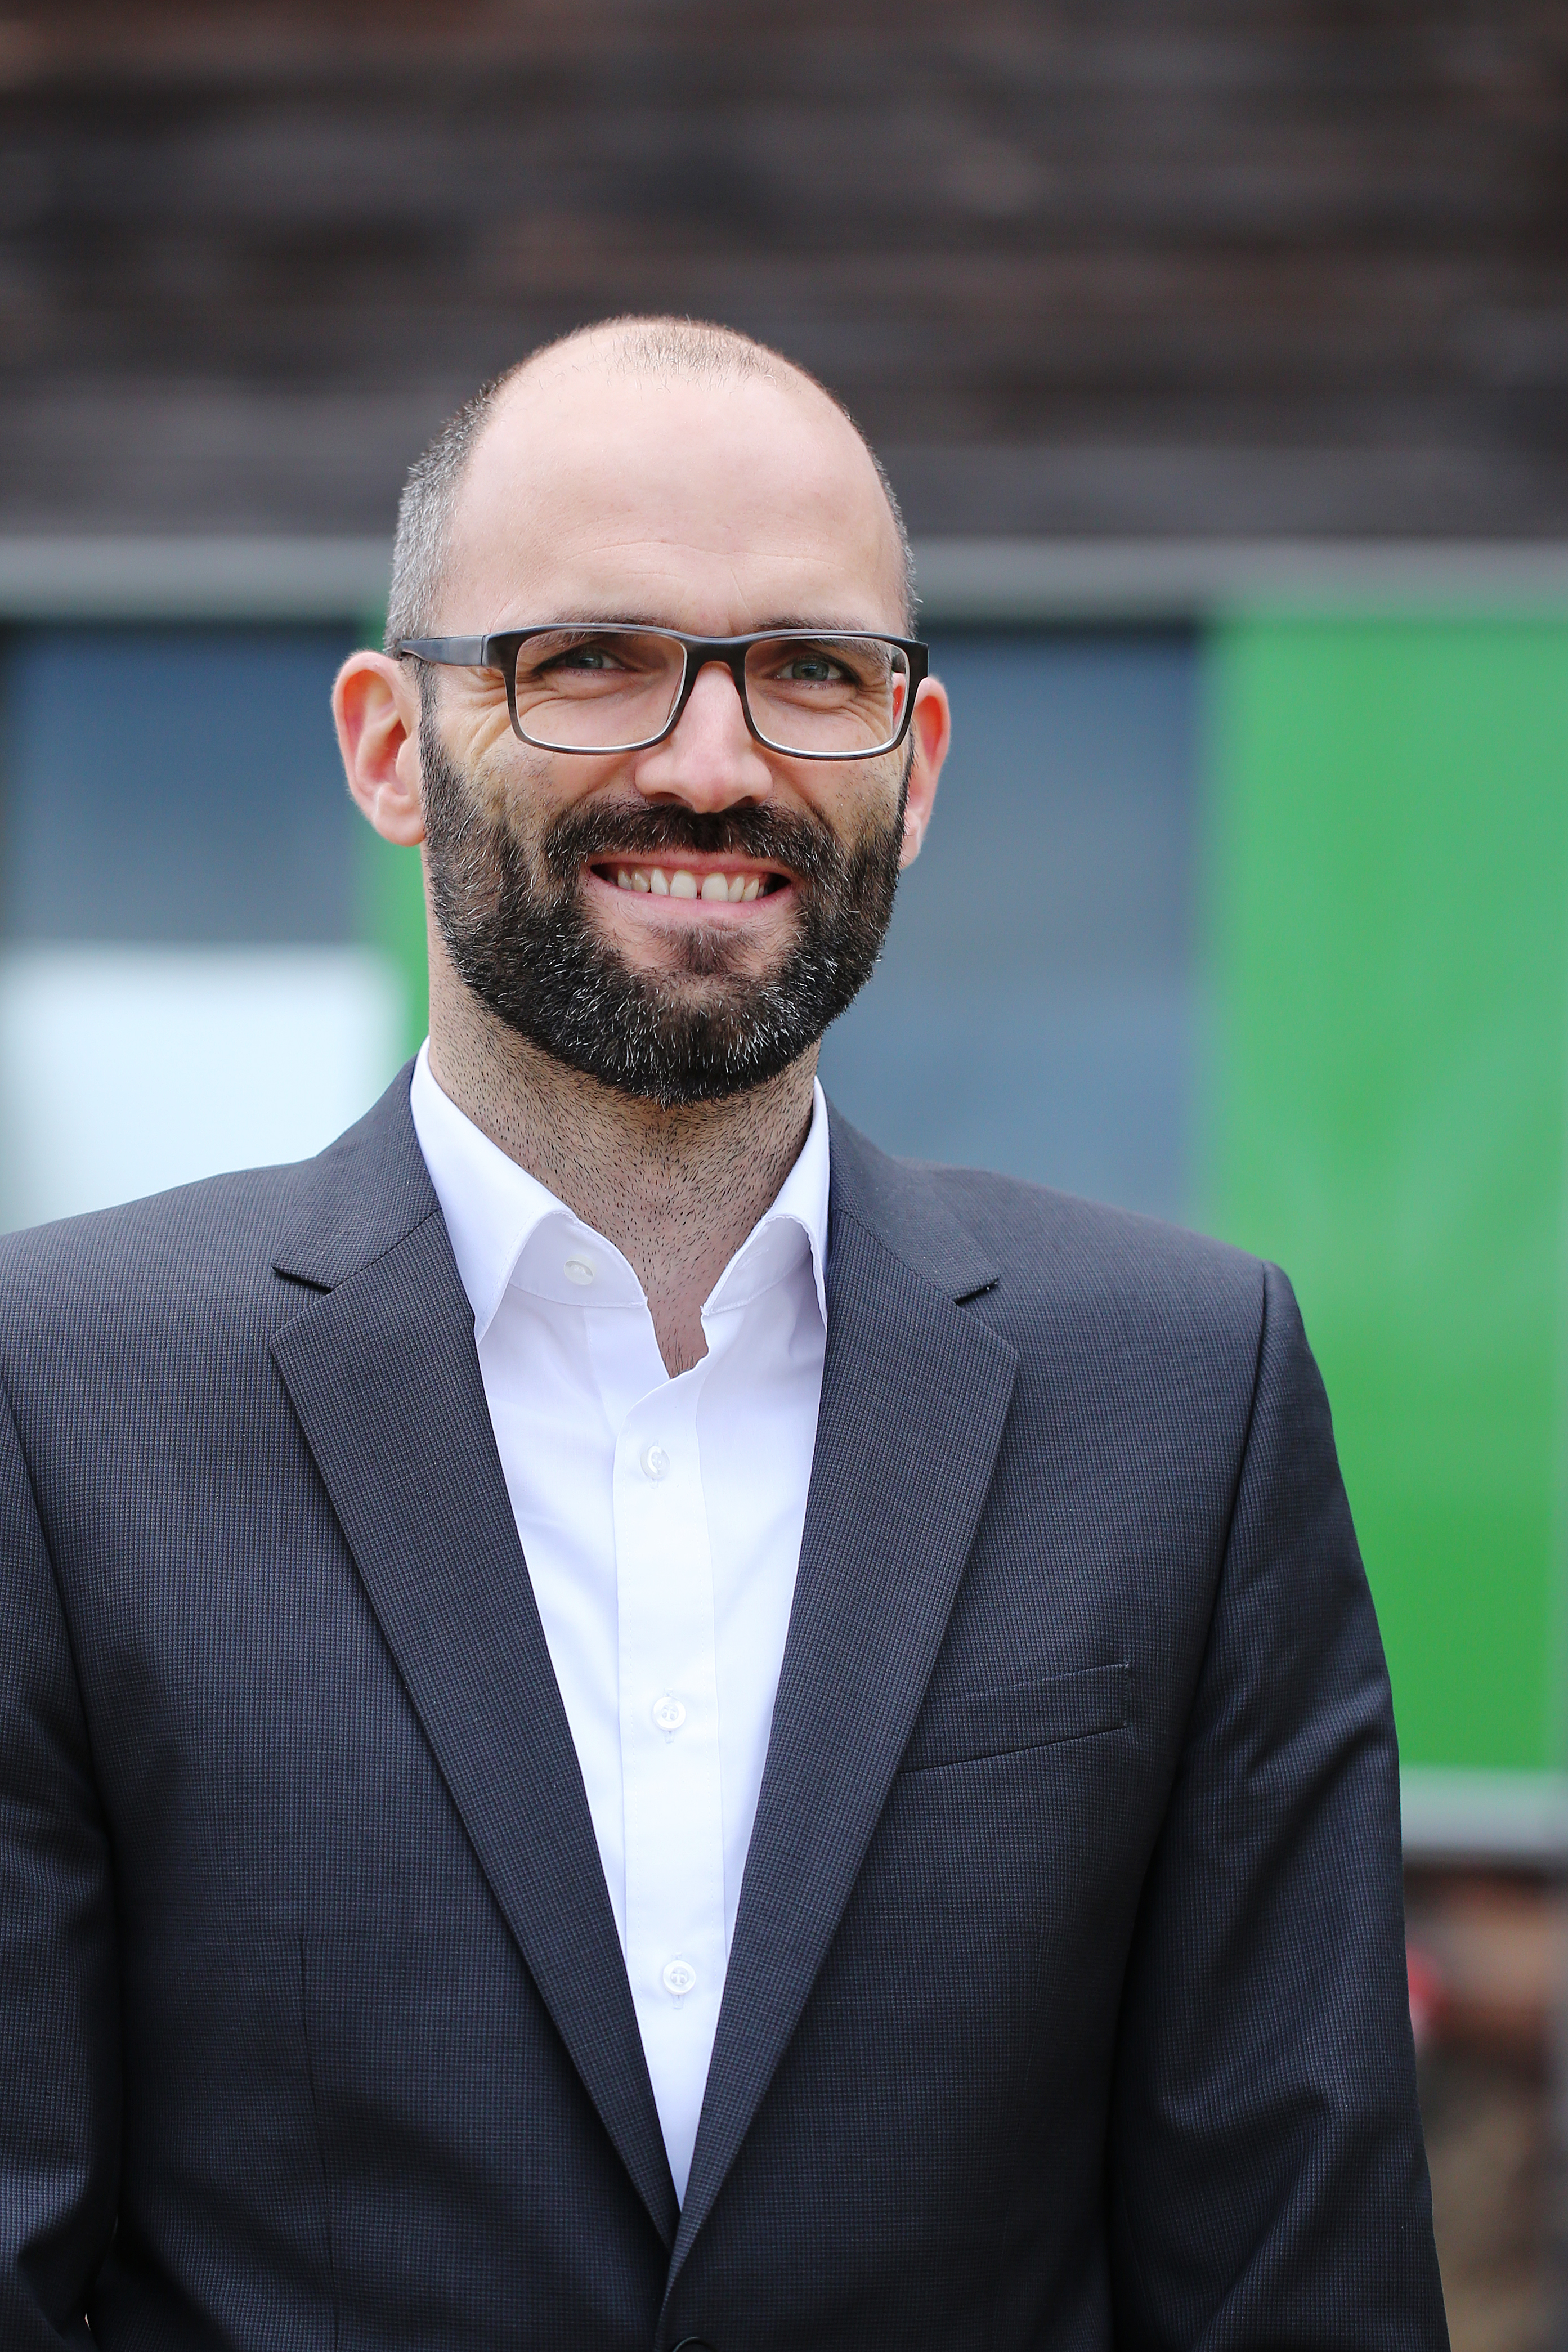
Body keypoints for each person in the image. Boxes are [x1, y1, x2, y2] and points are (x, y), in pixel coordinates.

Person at [0, 316, 1447, 2352]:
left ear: (915, 768)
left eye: (812, 669)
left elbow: (1298, 2283)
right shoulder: (55, 1403)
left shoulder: (1184, 1392)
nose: (712, 756)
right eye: (590, 655)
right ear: (389, 744)